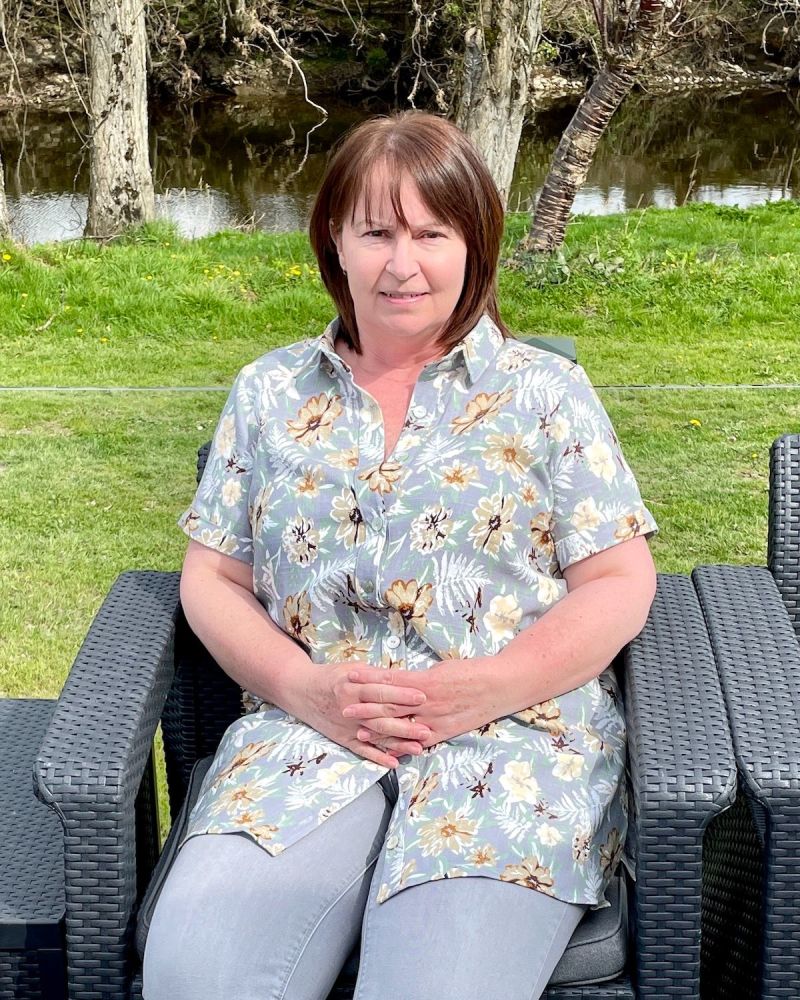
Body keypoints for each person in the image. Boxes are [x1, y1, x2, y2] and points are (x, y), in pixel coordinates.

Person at [142, 110, 658, 1000]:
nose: (402, 261)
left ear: (474, 245)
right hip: (306, 736)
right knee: (199, 976)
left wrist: (491, 685)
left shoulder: (544, 393)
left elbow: (617, 579)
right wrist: (303, 688)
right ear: (334, 241)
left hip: (513, 746)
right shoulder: (269, 393)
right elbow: (214, 575)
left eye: (431, 232)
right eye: (376, 231)